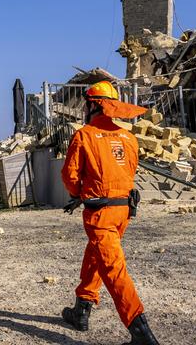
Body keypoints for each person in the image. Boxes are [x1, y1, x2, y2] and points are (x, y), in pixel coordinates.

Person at [61, 81, 159, 345]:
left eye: (86, 103)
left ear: (92, 104)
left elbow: (70, 175)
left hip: (100, 213)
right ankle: (81, 309)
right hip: (123, 211)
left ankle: (141, 332)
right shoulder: (129, 138)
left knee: (114, 269)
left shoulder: (84, 135)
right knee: (97, 255)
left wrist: (77, 193)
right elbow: (128, 171)